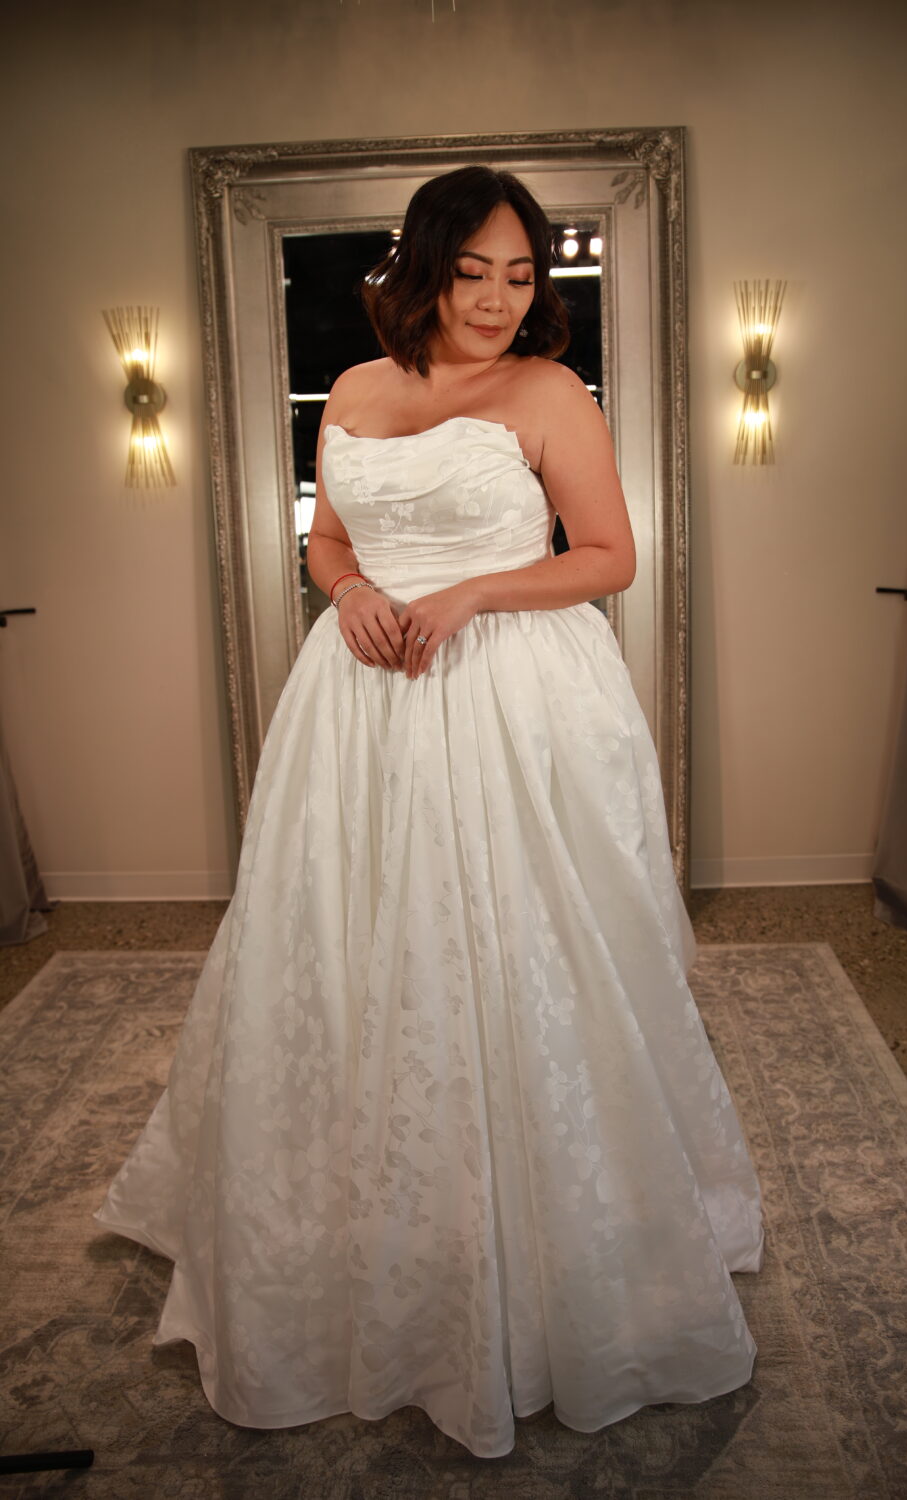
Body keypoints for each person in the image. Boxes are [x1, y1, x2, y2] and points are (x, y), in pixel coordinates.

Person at [93, 165, 763, 1460]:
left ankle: (554, 1247)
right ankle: (360, 1234)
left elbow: (611, 556)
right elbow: (328, 541)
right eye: (473, 273)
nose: (500, 299)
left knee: (519, 952)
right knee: (350, 947)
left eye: (522, 275)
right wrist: (349, 593)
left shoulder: (549, 392)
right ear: (424, 271)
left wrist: (472, 593)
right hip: (362, 700)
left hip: (512, 693)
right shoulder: (354, 390)